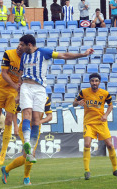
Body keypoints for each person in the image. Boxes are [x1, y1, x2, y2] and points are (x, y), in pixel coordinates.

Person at [18, 34, 94, 163]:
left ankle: (30, 150)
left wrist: (83, 54)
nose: (20, 47)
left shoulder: (44, 52)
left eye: (22, 45)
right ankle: (27, 143)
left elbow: (64, 55)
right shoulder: (24, 56)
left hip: (40, 89)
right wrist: (18, 91)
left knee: (36, 120)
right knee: (27, 114)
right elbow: (21, 73)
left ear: (29, 45)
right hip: (26, 86)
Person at [73, 73, 117, 180]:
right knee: (87, 144)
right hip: (89, 122)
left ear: (99, 82)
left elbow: (110, 105)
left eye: (96, 81)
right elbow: (74, 103)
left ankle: (115, 169)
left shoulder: (105, 93)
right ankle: (87, 171)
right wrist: (78, 102)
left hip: (101, 122)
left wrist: (105, 115)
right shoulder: (84, 92)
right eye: (92, 81)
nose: (94, 83)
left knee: (109, 145)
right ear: (90, 82)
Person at [1, 97, 52, 185]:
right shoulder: (26, 96)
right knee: (30, 153)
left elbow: (50, 116)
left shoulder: (45, 98)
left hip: (36, 129)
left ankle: (6, 169)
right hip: (24, 129)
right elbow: (15, 112)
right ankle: (26, 178)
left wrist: (39, 122)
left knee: (27, 155)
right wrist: (16, 126)